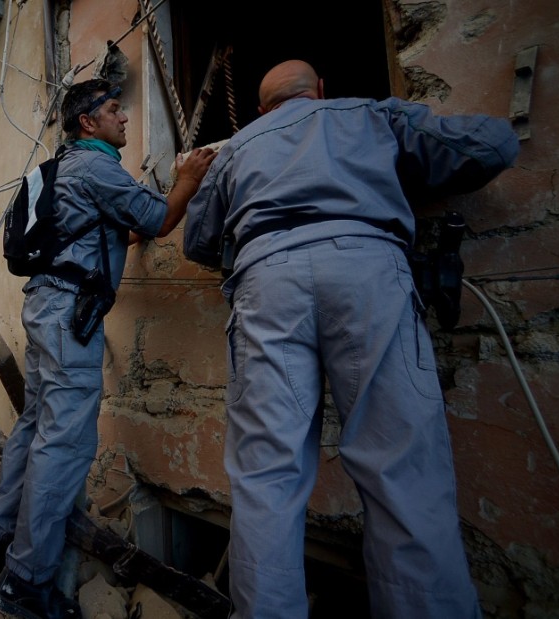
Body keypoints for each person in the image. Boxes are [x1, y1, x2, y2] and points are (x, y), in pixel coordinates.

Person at [182, 59, 519, 618]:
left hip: (265, 285)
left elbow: (197, 238)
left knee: (267, 477)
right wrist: (383, 175)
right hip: (368, 273)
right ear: (319, 90)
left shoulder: (240, 145)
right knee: (402, 471)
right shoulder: (368, 115)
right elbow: (494, 146)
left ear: (263, 109)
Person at [0, 78, 215, 619]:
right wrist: (187, 179)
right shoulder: (97, 166)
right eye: (112, 110)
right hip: (68, 315)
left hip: (45, 306)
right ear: (88, 122)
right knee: (65, 446)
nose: (124, 118)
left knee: (35, 427)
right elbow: (157, 218)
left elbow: (100, 232)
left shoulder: (64, 171)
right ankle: (26, 584)